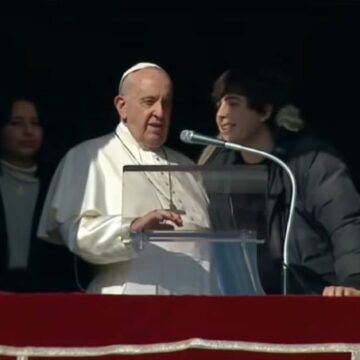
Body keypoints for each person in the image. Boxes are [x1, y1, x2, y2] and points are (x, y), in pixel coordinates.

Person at [38, 62, 211, 295]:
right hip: (126, 302)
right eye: (149, 102)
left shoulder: (188, 167)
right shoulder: (90, 157)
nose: (159, 112)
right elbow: (77, 232)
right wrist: (132, 227)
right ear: (122, 106)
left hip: (195, 302)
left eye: (166, 103)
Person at [199, 63, 360, 296]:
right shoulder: (217, 167)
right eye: (218, 104)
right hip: (241, 302)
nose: (221, 114)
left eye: (233, 103)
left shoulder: (311, 161)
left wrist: (354, 283)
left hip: (308, 298)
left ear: (264, 111)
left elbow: (346, 225)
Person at [0, 94, 80, 292]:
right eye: (16, 123)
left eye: (35, 123)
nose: (28, 132)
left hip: (44, 300)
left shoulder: (56, 183)